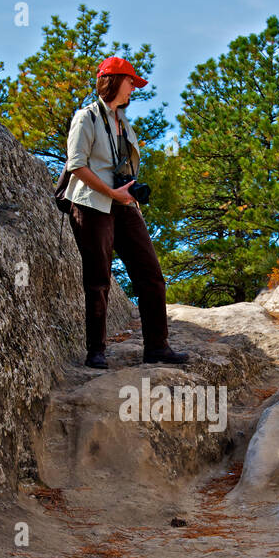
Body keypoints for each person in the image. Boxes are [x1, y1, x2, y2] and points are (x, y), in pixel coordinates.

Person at [63, 56, 189, 370]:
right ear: (115, 81)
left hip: (123, 205)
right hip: (92, 204)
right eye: (131, 81)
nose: (134, 87)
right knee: (98, 279)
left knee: (151, 275)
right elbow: (76, 164)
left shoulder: (122, 122)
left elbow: (123, 166)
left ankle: (157, 347)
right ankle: (96, 352)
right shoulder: (87, 118)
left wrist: (128, 196)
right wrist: (112, 193)